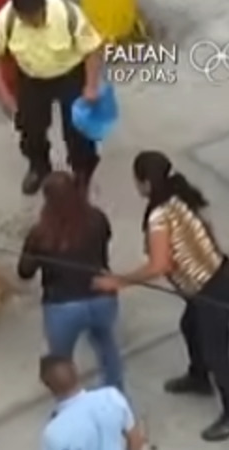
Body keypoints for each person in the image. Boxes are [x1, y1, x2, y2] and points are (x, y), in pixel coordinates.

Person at [93, 150, 229, 442]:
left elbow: (159, 264)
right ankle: (198, 376)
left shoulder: (159, 216)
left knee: (220, 354)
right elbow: (205, 229)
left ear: (144, 183)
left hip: (209, 289)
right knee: (190, 327)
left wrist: (119, 281)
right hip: (217, 274)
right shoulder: (179, 194)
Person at [0, 0, 104, 195]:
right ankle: (39, 167)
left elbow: (93, 49)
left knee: (78, 129)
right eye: (27, 20)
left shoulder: (68, 14)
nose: (33, 24)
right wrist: (4, 95)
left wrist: (91, 86)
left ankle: (81, 172)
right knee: (29, 127)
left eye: (37, 18)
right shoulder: (6, 20)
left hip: (69, 74)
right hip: (32, 78)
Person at [17, 172, 123, 389]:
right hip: (102, 296)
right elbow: (105, 244)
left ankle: (71, 400)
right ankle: (116, 392)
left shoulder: (41, 233)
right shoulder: (97, 218)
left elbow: (25, 272)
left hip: (62, 306)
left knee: (61, 360)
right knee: (106, 345)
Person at [39, 354, 145, 450]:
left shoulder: (53, 433)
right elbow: (136, 439)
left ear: (48, 387)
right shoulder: (111, 396)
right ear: (76, 371)